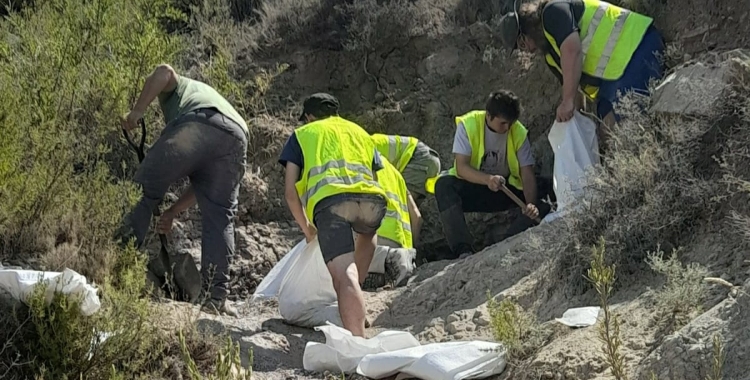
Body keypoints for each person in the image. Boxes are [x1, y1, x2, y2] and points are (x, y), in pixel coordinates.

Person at [119, 64, 249, 317]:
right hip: (236, 135)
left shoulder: (180, 90)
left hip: (199, 121)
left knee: (142, 191)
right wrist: (172, 211)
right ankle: (215, 298)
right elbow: (202, 186)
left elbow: (163, 71)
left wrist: (136, 112)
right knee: (219, 217)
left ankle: (115, 269)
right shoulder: (210, 96)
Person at [278, 92, 387, 337]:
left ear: (309, 116)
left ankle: (357, 342)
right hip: (372, 201)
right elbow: (374, 177)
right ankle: (355, 306)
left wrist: (307, 228)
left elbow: (290, 192)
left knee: (343, 274)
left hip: (332, 203)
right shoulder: (360, 132)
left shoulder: (303, 135)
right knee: (366, 238)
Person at [498, 0, 665, 154]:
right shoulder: (551, 56)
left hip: (636, 46)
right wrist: (575, 118)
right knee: (607, 135)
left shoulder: (553, 11)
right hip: (614, 75)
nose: (524, 50)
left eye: (521, 43)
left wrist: (567, 102)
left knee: (628, 131)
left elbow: (572, 50)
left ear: (527, 29)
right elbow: (573, 87)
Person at [433, 90, 553, 260]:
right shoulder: (469, 125)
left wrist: (531, 205)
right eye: (503, 123)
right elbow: (461, 167)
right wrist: (487, 180)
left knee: (549, 188)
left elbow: (526, 173)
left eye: (511, 123)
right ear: (489, 116)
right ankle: (463, 250)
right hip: (476, 188)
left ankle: (508, 241)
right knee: (444, 186)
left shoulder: (518, 132)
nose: (508, 128)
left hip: (507, 189)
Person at [361, 158, 420, 290]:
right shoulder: (396, 174)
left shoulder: (357, 159)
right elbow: (417, 217)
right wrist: (413, 251)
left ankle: (384, 261)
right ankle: (388, 268)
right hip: (400, 242)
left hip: (373, 236)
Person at [370, 133, 441, 205]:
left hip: (418, 158)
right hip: (425, 158)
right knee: (410, 207)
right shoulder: (370, 141)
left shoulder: (366, 149)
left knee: (403, 203)